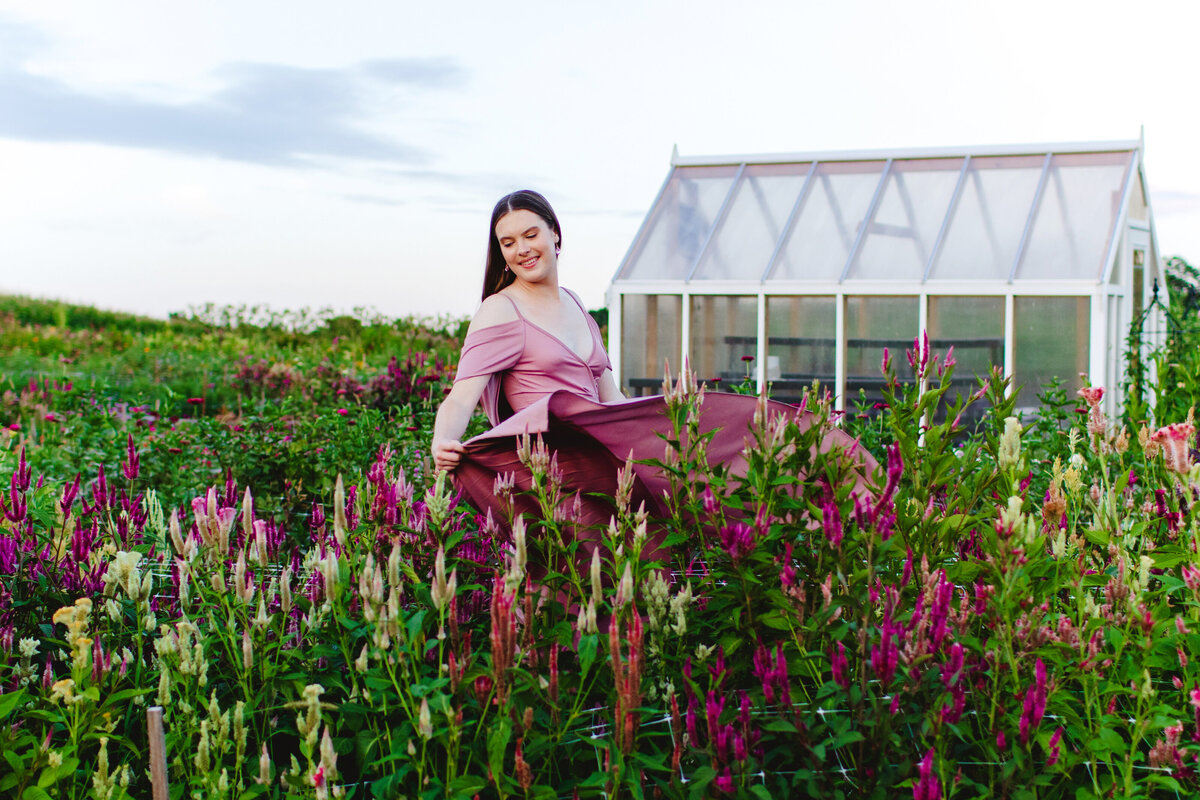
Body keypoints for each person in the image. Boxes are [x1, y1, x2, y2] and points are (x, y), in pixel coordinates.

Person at [432, 190, 875, 575]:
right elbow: (461, 396)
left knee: (717, 461)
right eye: (507, 243)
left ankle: (836, 504)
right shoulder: (501, 309)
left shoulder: (577, 308)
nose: (521, 250)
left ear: (555, 234)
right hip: (559, 468)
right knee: (587, 574)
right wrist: (443, 441)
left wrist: (663, 433)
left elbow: (612, 400)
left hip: (600, 455)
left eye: (530, 235)